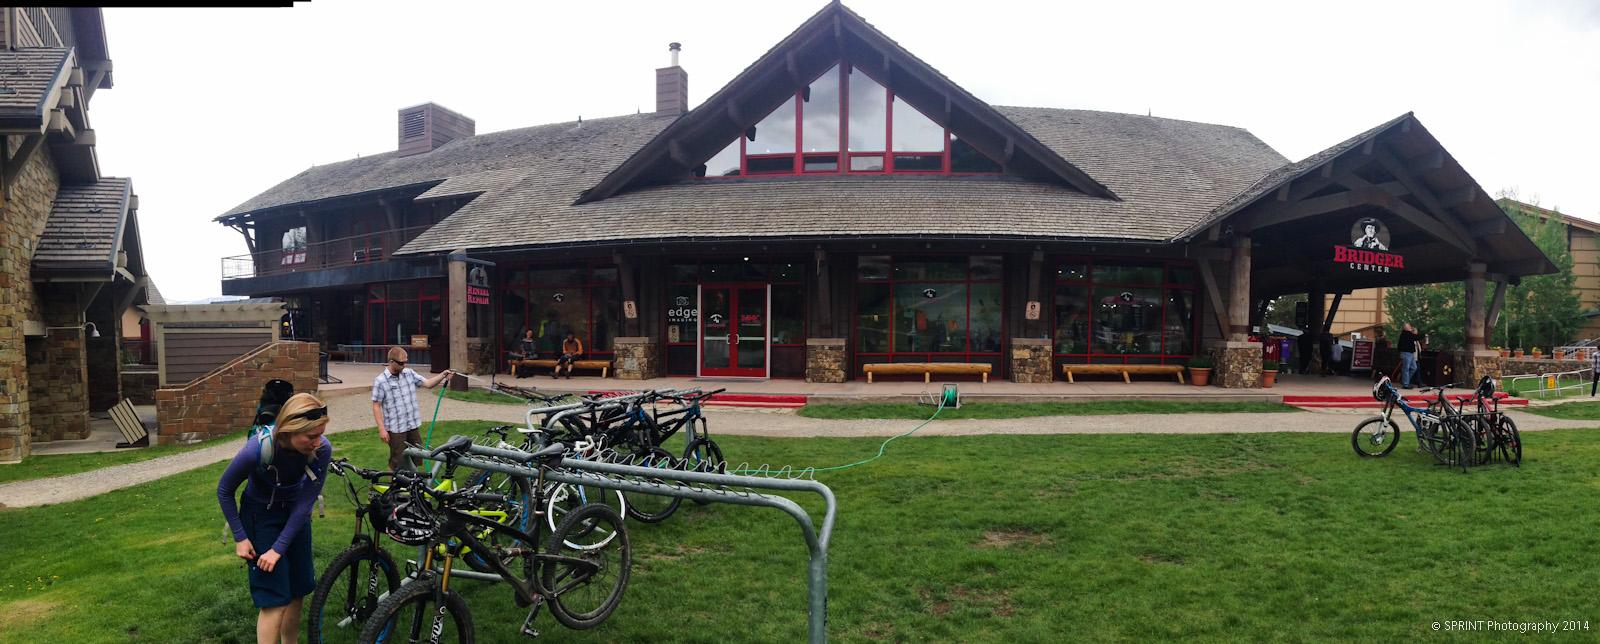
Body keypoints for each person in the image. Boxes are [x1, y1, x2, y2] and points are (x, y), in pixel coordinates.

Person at [217, 392, 333, 644]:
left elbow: (304, 504)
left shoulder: (322, 449)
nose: (317, 443)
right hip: (260, 519)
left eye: (320, 434)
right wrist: (240, 537)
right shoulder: (257, 449)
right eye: (311, 436)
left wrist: (279, 548)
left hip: (295, 517)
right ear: (289, 430)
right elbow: (225, 490)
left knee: (297, 590)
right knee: (274, 600)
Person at [372, 346, 454, 472]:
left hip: (412, 425)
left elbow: (427, 384)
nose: (404, 365)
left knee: (416, 456)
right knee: (397, 461)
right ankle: (390, 488)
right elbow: (376, 405)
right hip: (396, 428)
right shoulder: (381, 381)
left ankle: (411, 485)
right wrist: (382, 429)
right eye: (401, 363)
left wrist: (443, 375)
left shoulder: (409, 373)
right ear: (391, 362)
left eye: (406, 362)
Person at [1397, 323, 1422, 388]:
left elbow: (1416, 338)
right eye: (1409, 327)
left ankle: (1405, 381)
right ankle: (1405, 384)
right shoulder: (1405, 334)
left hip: (1410, 353)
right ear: (1406, 328)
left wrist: (1413, 332)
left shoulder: (1408, 334)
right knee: (1406, 368)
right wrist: (1414, 332)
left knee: (1414, 368)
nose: (1411, 328)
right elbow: (1416, 337)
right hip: (1406, 353)